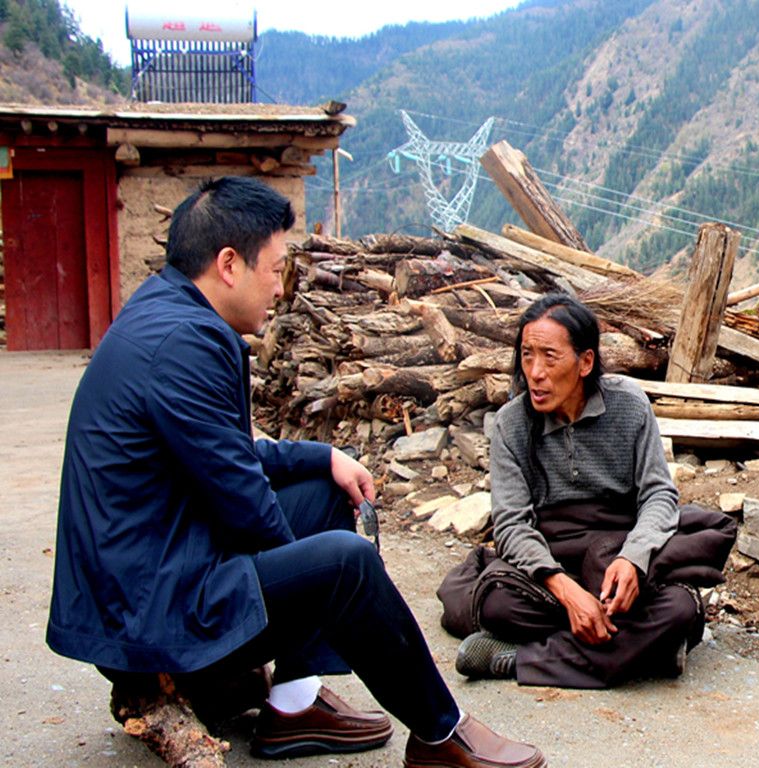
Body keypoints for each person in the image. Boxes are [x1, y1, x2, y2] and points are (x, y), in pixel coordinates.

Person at [46, 177, 546, 767]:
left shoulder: (165, 311)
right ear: (228, 265)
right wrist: (320, 590)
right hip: (147, 613)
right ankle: (441, 733)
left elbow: (223, 454)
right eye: (275, 269)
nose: (280, 289)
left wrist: (323, 457)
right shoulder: (186, 344)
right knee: (344, 563)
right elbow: (245, 503)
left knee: (324, 492)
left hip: (151, 575)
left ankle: (292, 706)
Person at [450, 293, 734, 689]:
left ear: (585, 362)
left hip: (615, 555)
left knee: (679, 609)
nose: (535, 372)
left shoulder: (628, 405)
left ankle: (517, 659)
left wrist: (634, 558)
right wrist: (566, 591)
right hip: (551, 559)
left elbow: (658, 494)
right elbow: (512, 525)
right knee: (499, 605)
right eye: (527, 356)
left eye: (550, 357)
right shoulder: (511, 424)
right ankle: (648, 650)